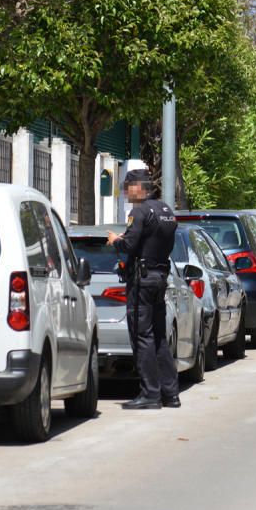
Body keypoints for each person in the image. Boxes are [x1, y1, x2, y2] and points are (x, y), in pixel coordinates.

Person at [106, 169, 180, 409]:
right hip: (159, 276)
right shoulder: (166, 210)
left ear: (139, 187)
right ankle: (170, 393)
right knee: (158, 336)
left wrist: (115, 240)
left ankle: (150, 394)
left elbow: (129, 245)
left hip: (143, 280)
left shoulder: (139, 212)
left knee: (142, 335)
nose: (126, 193)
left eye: (128, 187)